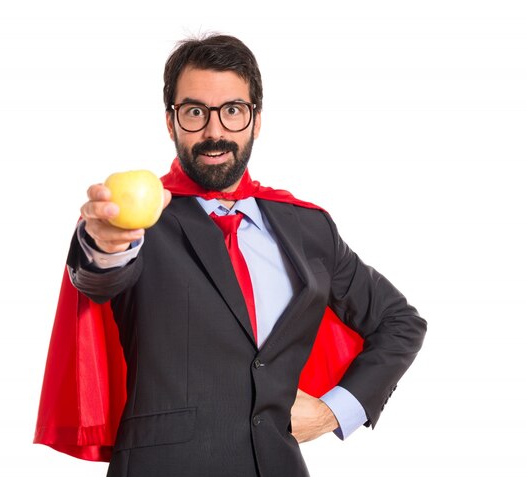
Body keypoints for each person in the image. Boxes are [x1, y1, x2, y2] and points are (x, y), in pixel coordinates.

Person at [34, 34, 427, 477]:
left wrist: (334, 411)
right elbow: (98, 276)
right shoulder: (134, 223)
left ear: (256, 121)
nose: (214, 131)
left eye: (233, 111)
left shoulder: (307, 226)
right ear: (171, 122)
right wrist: (103, 246)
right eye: (195, 112)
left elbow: (400, 322)